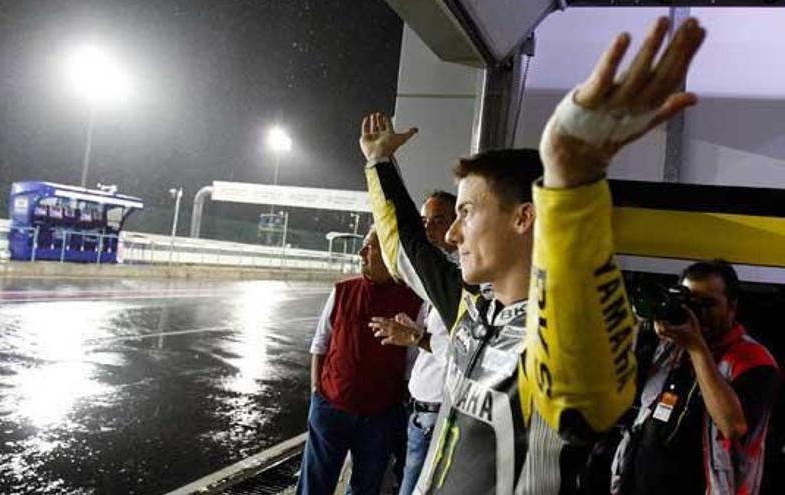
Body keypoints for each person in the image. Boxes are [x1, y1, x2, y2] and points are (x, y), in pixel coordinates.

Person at [360, 15, 706, 494]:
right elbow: (406, 249)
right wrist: (378, 162)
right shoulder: (469, 309)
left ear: (524, 218)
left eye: (467, 212)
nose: (455, 232)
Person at [610, 260, 779, 495]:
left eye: (708, 304)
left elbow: (733, 426)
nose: (698, 313)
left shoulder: (753, 359)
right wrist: (644, 323)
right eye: (690, 303)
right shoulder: (671, 346)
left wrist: (697, 348)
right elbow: (620, 391)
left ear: (732, 306)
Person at [297, 228, 424, 495]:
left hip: (379, 416)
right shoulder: (343, 291)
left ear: (390, 255)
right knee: (314, 485)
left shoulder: (414, 302)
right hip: (330, 408)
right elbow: (320, 344)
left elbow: (412, 365)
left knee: (365, 487)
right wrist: (316, 395)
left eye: (370, 247)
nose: (361, 252)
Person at [368, 190, 458, 495]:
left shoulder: (461, 281)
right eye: (424, 222)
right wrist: (415, 332)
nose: (429, 229)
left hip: (436, 414)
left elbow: (467, 354)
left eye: (439, 221)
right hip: (419, 411)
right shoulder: (433, 283)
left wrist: (417, 337)